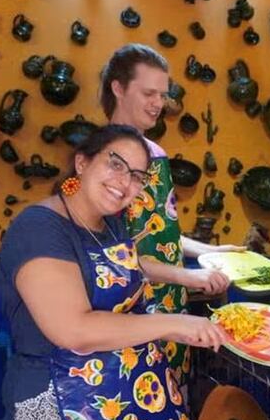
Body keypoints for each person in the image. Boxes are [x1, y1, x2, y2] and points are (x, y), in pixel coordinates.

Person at [0, 125, 225, 420]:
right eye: (115, 164)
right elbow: (73, 330)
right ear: (82, 163)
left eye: (137, 176)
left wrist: (187, 276)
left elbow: (131, 265)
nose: (125, 182)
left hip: (138, 404)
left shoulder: (110, 223)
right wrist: (173, 324)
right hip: (59, 415)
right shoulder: (38, 228)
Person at [100, 43, 241, 388]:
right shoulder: (100, 159)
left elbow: (159, 231)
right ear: (118, 88)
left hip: (171, 304)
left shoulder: (156, 154)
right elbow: (111, 256)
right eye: (149, 93)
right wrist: (189, 276)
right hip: (127, 313)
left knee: (175, 397)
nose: (158, 103)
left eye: (162, 95)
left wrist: (210, 252)